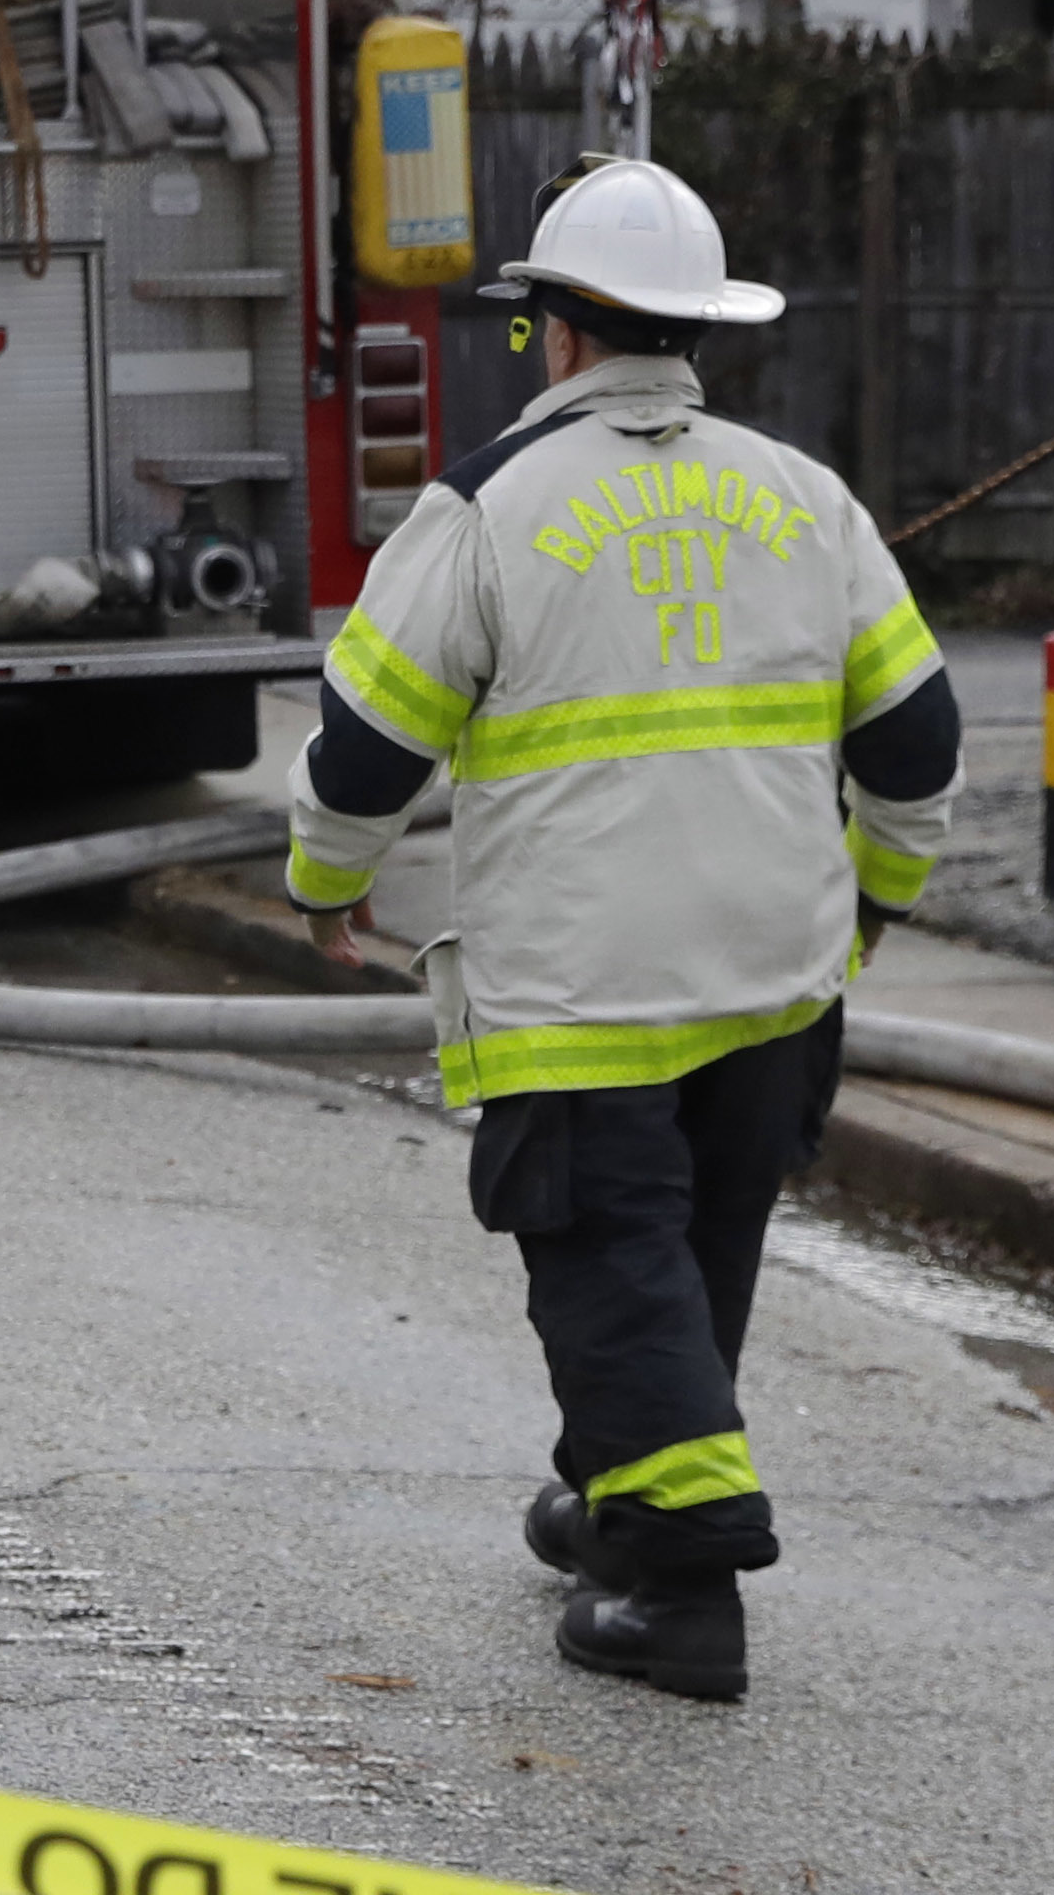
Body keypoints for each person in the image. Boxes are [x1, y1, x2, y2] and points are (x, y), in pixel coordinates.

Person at [284, 158, 960, 1707]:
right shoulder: (807, 498)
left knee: (607, 1264)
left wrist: (327, 883)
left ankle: (683, 1582)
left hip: (580, 988)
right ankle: (617, 1491)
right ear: (694, 330)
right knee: (691, 1259)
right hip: (777, 978)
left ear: (560, 332)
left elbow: (364, 752)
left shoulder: (485, 507)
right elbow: (917, 745)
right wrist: (873, 897)